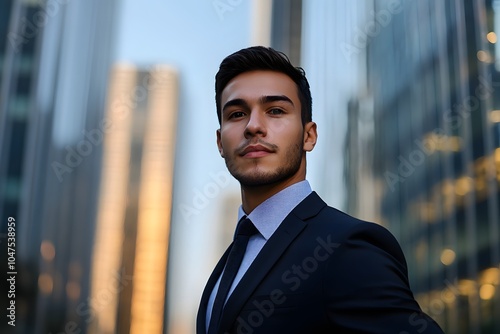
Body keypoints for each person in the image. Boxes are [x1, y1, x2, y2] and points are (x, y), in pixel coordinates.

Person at [197, 46, 444, 334]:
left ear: (309, 135)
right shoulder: (228, 263)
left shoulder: (346, 246)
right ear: (219, 142)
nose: (253, 126)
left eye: (275, 110)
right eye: (237, 114)